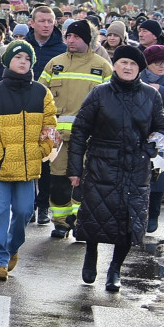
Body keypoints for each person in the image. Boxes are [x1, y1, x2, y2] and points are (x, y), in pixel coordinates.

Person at [69, 45, 164, 292]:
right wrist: (75, 169)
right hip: (102, 165)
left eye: (133, 64)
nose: (127, 67)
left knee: (130, 222)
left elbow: (162, 129)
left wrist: (151, 148)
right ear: (115, 65)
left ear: (139, 69)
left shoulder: (151, 95)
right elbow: (80, 130)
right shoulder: (99, 93)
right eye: (123, 62)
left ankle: (115, 269)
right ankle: (90, 254)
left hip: (136, 168)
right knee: (96, 216)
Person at [39, 19, 112, 238]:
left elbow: (111, 103)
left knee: (85, 181)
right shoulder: (54, 64)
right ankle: (61, 222)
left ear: (87, 40)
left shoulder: (102, 66)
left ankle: (83, 223)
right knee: (59, 179)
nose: (70, 40)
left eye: (76, 37)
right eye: (68, 36)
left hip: (90, 137)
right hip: (58, 137)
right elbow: (40, 96)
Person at [141, 44, 164, 233]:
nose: (162, 66)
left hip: (162, 135)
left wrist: (160, 89)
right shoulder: (139, 78)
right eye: (157, 63)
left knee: (159, 177)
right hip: (140, 132)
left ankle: (154, 215)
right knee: (140, 176)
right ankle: (139, 216)